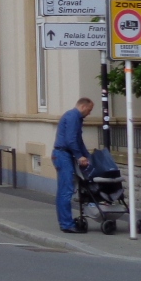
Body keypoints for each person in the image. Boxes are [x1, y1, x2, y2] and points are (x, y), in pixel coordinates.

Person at [52, 98, 94, 233]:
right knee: (66, 190)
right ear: (83, 106)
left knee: (64, 190)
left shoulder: (75, 117)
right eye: (89, 110)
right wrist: (80, 156)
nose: (89, 113)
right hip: (63, 155)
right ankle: (66, 224)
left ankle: (65, 222)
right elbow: (71, 140)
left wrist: (88, 156)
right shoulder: (73, 117)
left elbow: (78, 140)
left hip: (62, 155)